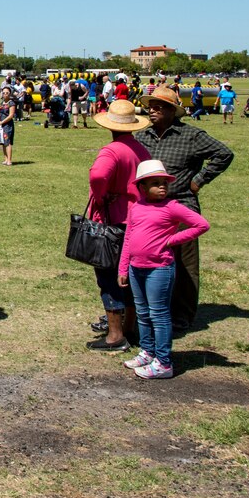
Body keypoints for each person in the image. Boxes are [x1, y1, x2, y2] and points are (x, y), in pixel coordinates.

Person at [135, 85, 234, 330]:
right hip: (149, 210)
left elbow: (224, 154)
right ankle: (154, 308)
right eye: (150, 107)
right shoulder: (142, 136)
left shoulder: (191, 136)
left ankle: (182, 315)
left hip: (181, 205)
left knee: (184, 263)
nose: (152, 111)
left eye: (158, 107)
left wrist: (199, 180)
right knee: (153, 260)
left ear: (172, 111)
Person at [119, 160, 210, 380]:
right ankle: (147, 351)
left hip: (159, 269)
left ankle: (163, 361)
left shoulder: (172, 207)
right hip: (135, 267)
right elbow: (129, 237)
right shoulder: (136, 207)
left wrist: (172, 239)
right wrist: (123, 267)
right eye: (156, 183)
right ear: (142, 186)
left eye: (164, 183)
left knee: (159, 314)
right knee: (142, 312)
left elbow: (201, 225)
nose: (162, 187)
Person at [85, 100, 153, 352]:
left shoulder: (112, 150)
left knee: (109, 276)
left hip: (114, 220)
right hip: (139, 220)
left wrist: (102, 197)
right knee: (130, 276)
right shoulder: (141, 149)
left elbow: (98, 176)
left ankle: (115, 335)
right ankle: (131, 328)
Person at [0, 87, 17, 166]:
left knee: (8, 142)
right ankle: (5, 159)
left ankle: (9, 160)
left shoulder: (11, 103)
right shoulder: (2, 103)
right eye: (3, 93)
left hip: (8, 125)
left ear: (9, 94)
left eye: (7, 93)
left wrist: (2, 122)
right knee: (2, 142)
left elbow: (11, 116)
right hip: (1, 125)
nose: (5, 94)